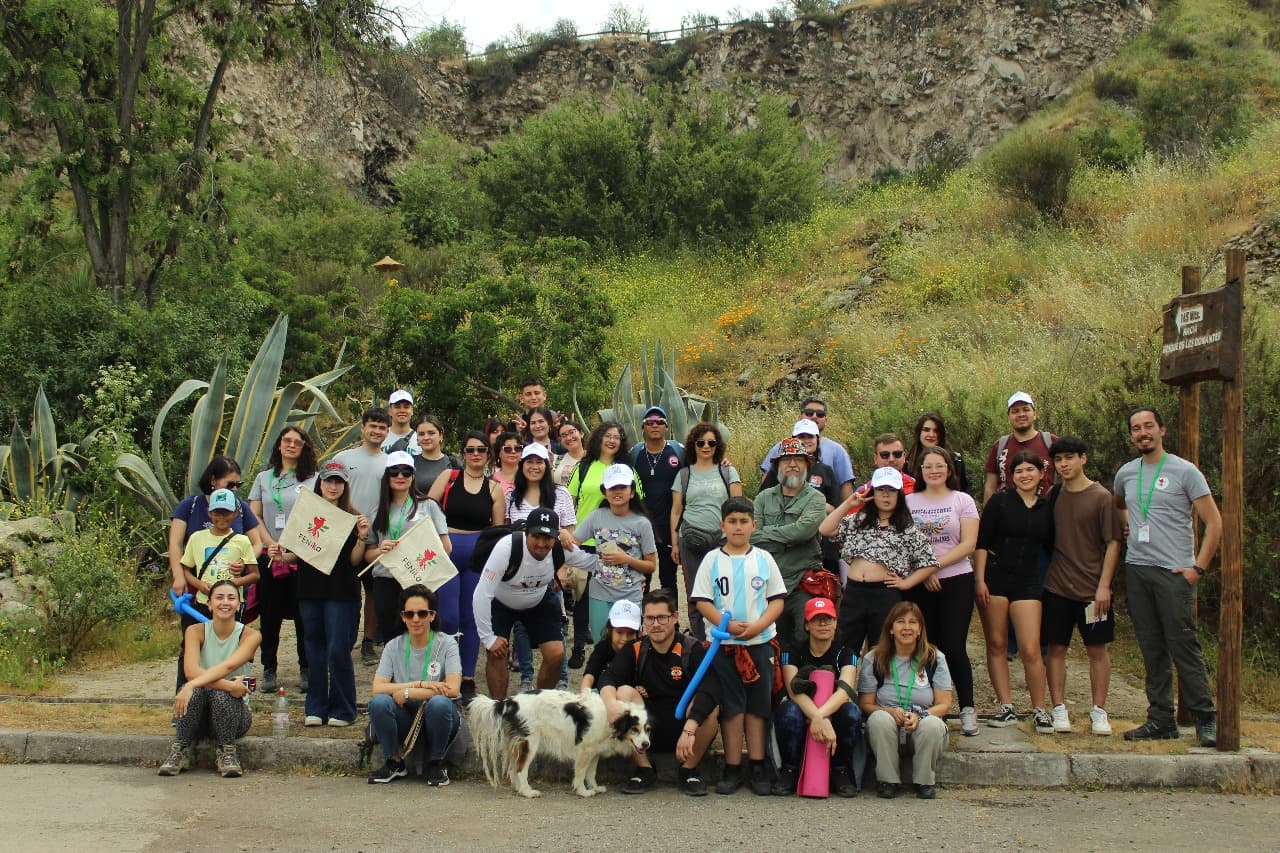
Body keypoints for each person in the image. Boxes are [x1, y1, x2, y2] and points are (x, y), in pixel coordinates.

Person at [1115, 407, 1221, 746]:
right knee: (1152, 648)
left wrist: (1197, 568)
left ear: (1161, 430)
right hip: (1138, 569)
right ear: (1131, 435)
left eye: (1148, 426)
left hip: (1174, 572)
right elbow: (1119, 504)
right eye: (1136, 428)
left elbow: (1214, 522)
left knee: (1183, 646)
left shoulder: (1184, 471)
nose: (1142, 433)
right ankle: (1161, 719)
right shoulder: (1126, 473)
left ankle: (1205, 718)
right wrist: (1127, 525)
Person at [692, 496, 787, 796]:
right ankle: (732, 766)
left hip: (759, 643)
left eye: (744, 521)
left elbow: (777, 600)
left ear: (753, 525)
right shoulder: (712, 560)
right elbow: (702, 601)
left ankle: (757, 764)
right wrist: (726, 626)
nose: (738, 527)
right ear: (722, 525)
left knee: (758, 706)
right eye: (732, 521)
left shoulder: (764, 558)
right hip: (724, 645)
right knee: (732, 706)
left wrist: (758, 626)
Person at [599, 589, 719, 796]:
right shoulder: (636, 649)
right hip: (647, 729)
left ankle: (689, 770)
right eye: (650, 618)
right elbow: (608, 678)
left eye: (662, 618)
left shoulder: (691, 648)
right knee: (623, 693)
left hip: (686, 730)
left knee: (710, 706)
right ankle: (644, 769)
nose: (655, 624)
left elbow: (711, 687)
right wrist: (611, 706)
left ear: (675, 617)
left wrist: (690, 728)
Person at [1043, 436, 1122, 736]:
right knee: (1056, 648)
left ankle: (1099, 711)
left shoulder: (1102, 497)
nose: (1064, 464)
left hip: (1092, 591)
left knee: (1097, 650)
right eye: (1058, 459)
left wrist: (1104, 586)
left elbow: (1113, 542)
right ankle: (1058, 708)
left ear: (1083, 459)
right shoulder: (1054, 494)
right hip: (1057, 587)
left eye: (1069, 458)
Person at [474, 508, 594, 697]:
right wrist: (488, 638)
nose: (541, 544)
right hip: (502, 601)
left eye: (547, 538)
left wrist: (623, 557)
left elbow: (593, 562)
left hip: (538, 600)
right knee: (496, 652)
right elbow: (482, 593)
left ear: (555, 537)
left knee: (556, 654)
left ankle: (540, 703)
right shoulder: (507, 547)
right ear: (526, 533)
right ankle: (499, 707)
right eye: (536, 536)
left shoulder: (560, 549)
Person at [820, 467, 939, 656]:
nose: (885, 495)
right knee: (843, 647)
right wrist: (849, 504)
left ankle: (876, 677)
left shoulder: (906, 528)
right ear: (872, 492)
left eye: (891, 490)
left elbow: (930, 562)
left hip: (885, 594)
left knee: (881, 650)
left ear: (899, 494)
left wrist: (906, 583)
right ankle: (845, 676)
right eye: (880, 489)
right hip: (854, 592)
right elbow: (825, 529)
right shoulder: (858, 520)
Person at [974, 450, 1054, 731]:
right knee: (997, 644)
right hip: (995, 579)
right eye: (1019, 471)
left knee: (1031, 648)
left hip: (1028, 580)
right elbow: (982, 542)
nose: (1025, 475)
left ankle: (1040, 709)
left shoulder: (1046, 507)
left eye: (1030, 470)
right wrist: (979, 580)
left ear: (1041, 473)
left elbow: (1053, 546)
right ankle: (1005, 706)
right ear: (1011, 476)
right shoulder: (1000, 501)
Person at [168, 456, 262, 690]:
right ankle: (186, 695)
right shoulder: (190, 506)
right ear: (213, 481)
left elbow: (256, 543)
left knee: (231, 647)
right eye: (230, 484)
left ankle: (236, 696)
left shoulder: (240, 508)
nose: (235, 489)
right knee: (191, 646)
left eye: (238, 485)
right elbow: (176, 544)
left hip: (231, 595)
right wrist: (179, 576)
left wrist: (243, 562)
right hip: (199, 594)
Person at [906, 447, 981, 736]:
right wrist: (923, 573)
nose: (934, 471)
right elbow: (902, 541)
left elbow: (968, 544)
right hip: (919, 583)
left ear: (949, 469)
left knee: (954, 645)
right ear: (920, 471)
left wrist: (932, 567)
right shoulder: (909, 501)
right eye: (928, 466)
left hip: (956, 579)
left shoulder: (962, 500)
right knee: (925, 646)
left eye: (940, 465)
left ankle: (968, 708)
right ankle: (935, 709)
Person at [428, 431, 504, 700]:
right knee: (447, 616)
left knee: (471, 617)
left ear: (488, 454)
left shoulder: (494, 489)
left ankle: (468, 676)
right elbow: (427, 509)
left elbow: (497, 530)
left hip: (477, 555)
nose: (475, 454)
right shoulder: (448, 477)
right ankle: (448, 673)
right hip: (447, 551)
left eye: (481, 450)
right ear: (463, 453)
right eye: (470, 450)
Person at [159, 580, 262, 778]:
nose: (225, 602)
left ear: (239, 605)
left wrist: (192, 684)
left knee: (221, 694)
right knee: (198, 692)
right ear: (209, 604)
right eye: (219, 597)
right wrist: (229, 685)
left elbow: (228, 666)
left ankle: (227, 752)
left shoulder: (251, 635)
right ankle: (180, 749)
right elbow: (190, 671)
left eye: (231, 598)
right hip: (198, 714)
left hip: (235, 715)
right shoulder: (194, 631)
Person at [296, 461, 370, 727]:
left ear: (345, 485)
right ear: (320, 483)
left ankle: (343, 709)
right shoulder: (306, 512)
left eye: (338, 481)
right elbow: (297, 550)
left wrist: (362, 537)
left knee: (338, 649)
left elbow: (354, 561)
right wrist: (279, 554)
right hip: (310, 589)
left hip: (342, 591)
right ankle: (315, 707)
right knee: (313, 649)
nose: (333, 486)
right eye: (329, 480)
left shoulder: (353, 517)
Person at [368, 585, 465, 786]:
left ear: (432, 615)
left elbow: (452, 689)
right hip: (405, 715)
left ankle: (437, 763)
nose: (415, 619)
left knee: (439, 703)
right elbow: (377, 688)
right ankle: (394, 762)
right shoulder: (393, 646)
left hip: (439, 716)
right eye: (409, 614)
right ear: (402, 617)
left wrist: (409, 692)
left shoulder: (447, 643)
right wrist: (417, 685)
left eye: (422, 613)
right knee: (379, 703)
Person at [858, 600, 953, 799]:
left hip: (921, 727)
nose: (907, 627)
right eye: (900, 622)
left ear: (920, 630)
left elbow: (944, 704)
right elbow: (865, 704)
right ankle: (887, 781)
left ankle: (924, 782)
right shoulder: (874, 658)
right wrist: (889, 712)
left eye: (913, 622)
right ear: (891, 629)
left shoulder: (935, 658)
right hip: (887, 729)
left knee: (932, 724)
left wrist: (920, 715)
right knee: (878, 719)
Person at [249, 426, 317, 694]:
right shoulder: (263, 478)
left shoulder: (313, 479)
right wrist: (269, 543)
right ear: (278, 444)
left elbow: (319, 515)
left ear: (304, 447)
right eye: (286, 440)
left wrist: (296, 546)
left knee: (304, 616)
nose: (291, 445)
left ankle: (306, 667)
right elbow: (254, 515)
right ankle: (269, 667)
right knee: (270, 615)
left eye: (297, 442)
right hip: (271, 555)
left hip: (302, 556)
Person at [774, 597, 861, 798]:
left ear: (835, 623)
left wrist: (820, 717)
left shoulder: (846, 653)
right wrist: (818, 718)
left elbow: (845, 690)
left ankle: (840, 769)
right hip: (802, 708)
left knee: (851, 712)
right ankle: (790, 768)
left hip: (832, 711)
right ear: (807, 625)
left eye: (828, 619)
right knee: (788, 711)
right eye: (816, 619)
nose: (823, 624)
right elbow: (793, 691)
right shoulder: (791, 650)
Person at [507, 443, 576, 690]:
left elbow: (569, 535)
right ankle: (526, 677)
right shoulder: (512, 496)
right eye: (530, 462)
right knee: (521, 626)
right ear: (522, 465)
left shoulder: (561, 494)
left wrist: (562, 568)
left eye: (539, 462)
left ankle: (562, 679)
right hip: (520, 571)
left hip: (551, 570)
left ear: (547, 466)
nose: (534, 467)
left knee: (554, 625)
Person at [364, 452, 452, 648]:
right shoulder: (377, 511)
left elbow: (446, 547)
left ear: (413, 476)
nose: (400, 476)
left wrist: (426, 566)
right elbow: (368, 555)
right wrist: (380, 550)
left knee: (421, 640)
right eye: (394, 471)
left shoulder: (428, 506)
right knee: (393, 641)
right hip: (386, 581)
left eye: (406, 471)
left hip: (419, 581)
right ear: (387, 476)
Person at [565, 421, 634, 668]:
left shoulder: (627, 470)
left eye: (617, 437)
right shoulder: (583, 467)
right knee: (583, 597)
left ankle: (612, 649)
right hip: (585, 540)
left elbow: (637, 505)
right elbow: (569, 502)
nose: (612, 440)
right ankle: (579, 648)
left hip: (616, 544)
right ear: (599, 438)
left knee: (613, 595)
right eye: (608, 435)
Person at [670, 421, 743, 640]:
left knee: (726, 590)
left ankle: (727, 637)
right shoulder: (684, 475)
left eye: (711, 443)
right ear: (693, 445)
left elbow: (738, 507)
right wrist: (674, 543)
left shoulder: (727, 472)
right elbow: (676, 511)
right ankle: (700, 641)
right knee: (695, 593)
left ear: (717, 445)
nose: (706, 447)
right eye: (700, 442)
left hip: (722, 541)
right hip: (691, 538)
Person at [752, 436, 826, 648]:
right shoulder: (763, 498)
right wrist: (789, 533)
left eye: (799, 460)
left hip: (802, 584)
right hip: (766, 585)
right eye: (786, 460)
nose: (792, 464)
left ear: (807, 465)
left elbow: (802, 533)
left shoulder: (816, 499)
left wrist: (767, 532)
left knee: (806, 641)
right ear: (778, 466)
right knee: (771, 643)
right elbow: (752, 537)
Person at [332, 408, 390, 665]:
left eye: (382, 427)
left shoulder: (390, 463)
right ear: (362, 428)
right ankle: (345, 639)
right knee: (348, 591)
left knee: (374, 591)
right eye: (372, 426)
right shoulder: (343, 458)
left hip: (377, 536)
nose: (376, 431)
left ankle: (368, 641)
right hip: (346, 534)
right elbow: (329, 491)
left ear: (387, 432)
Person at [573, 464, 657, 640]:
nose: (617, 492)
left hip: (630, 594)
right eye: (612, 487)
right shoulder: (596, 516)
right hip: (599, 594)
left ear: (632, 492)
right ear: (605, 492)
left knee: (628, 644)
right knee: (601, 642)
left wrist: (626, 559)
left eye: (622, 487)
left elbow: (651, 565)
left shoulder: (642, 523)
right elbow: (574, 542)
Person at [760, 420, 843, 574]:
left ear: (818, 439)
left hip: (816, 556)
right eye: (801, 436)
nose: (805, 440)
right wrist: (791, 527)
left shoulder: (826, 473)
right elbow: (753, 529)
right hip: (773, 562)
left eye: (809, 436)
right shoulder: (770, 483)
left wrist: (813, 507)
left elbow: (837, 511)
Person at [629, 406, 683, 593]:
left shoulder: (677, 451)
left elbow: (701, 462)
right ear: (642, 427)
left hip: (669, 525)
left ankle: (671, 613)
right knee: (641, 577)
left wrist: (722, 461)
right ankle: (641, 612)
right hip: (641, 525)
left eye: (660, 422)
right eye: (649, 422)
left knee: (669, 578)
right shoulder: (635, 453)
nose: (655, 425)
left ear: (666, 427)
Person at [759, 396, 856, 500]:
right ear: (800, 417)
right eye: (809, 413)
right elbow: (765, 491)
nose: (814, 416)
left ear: (826, 420)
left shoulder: (837, 452)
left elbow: (846, 487)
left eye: (820, 414)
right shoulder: (780, 448)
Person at [984, 391, 1057, 501]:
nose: (1021, 414)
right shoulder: (1000, 446)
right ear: (1009, 417)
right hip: (1008, 509)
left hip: (1048, 508)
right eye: (1015, 411)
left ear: (1035, 414)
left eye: (1026, 409)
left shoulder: (1051, 442)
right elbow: (990, 487)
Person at [579, 599, 640, 692]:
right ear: (609, 630)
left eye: (630, 633)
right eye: (619, 632)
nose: (625, 638)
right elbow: (590, 674)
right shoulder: (602, 648)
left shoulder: (640, 651)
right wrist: (585, 693)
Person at [907, 412, 970, 494]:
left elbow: (963, 491)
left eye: (936, 431)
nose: (931, 434)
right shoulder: (908, 463)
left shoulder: (955, 461)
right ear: (919, 433)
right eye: (926, 430)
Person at [412, 415, 459, 497]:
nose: (426, 437)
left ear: (441, 435)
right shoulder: (410, 463)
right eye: (421, 434)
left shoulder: (454, 464)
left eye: (431, 433)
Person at [382, 389, 420, 455]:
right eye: (397, 407)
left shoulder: (420, 439)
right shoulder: (379, 437)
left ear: (412, 411)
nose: (402, 410)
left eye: (406, 407)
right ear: (390, 411)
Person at [550, 418, 586, 486]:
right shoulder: (555, 460)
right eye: (563, 436)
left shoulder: (595, 457)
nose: (568, 438)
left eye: (571, 432)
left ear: (581, 433)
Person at [490, 431, 523, 495]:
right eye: (507, 448)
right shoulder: (491, 480)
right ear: (498, 452)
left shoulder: (528, 476)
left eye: (517, 448)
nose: (513, 451)